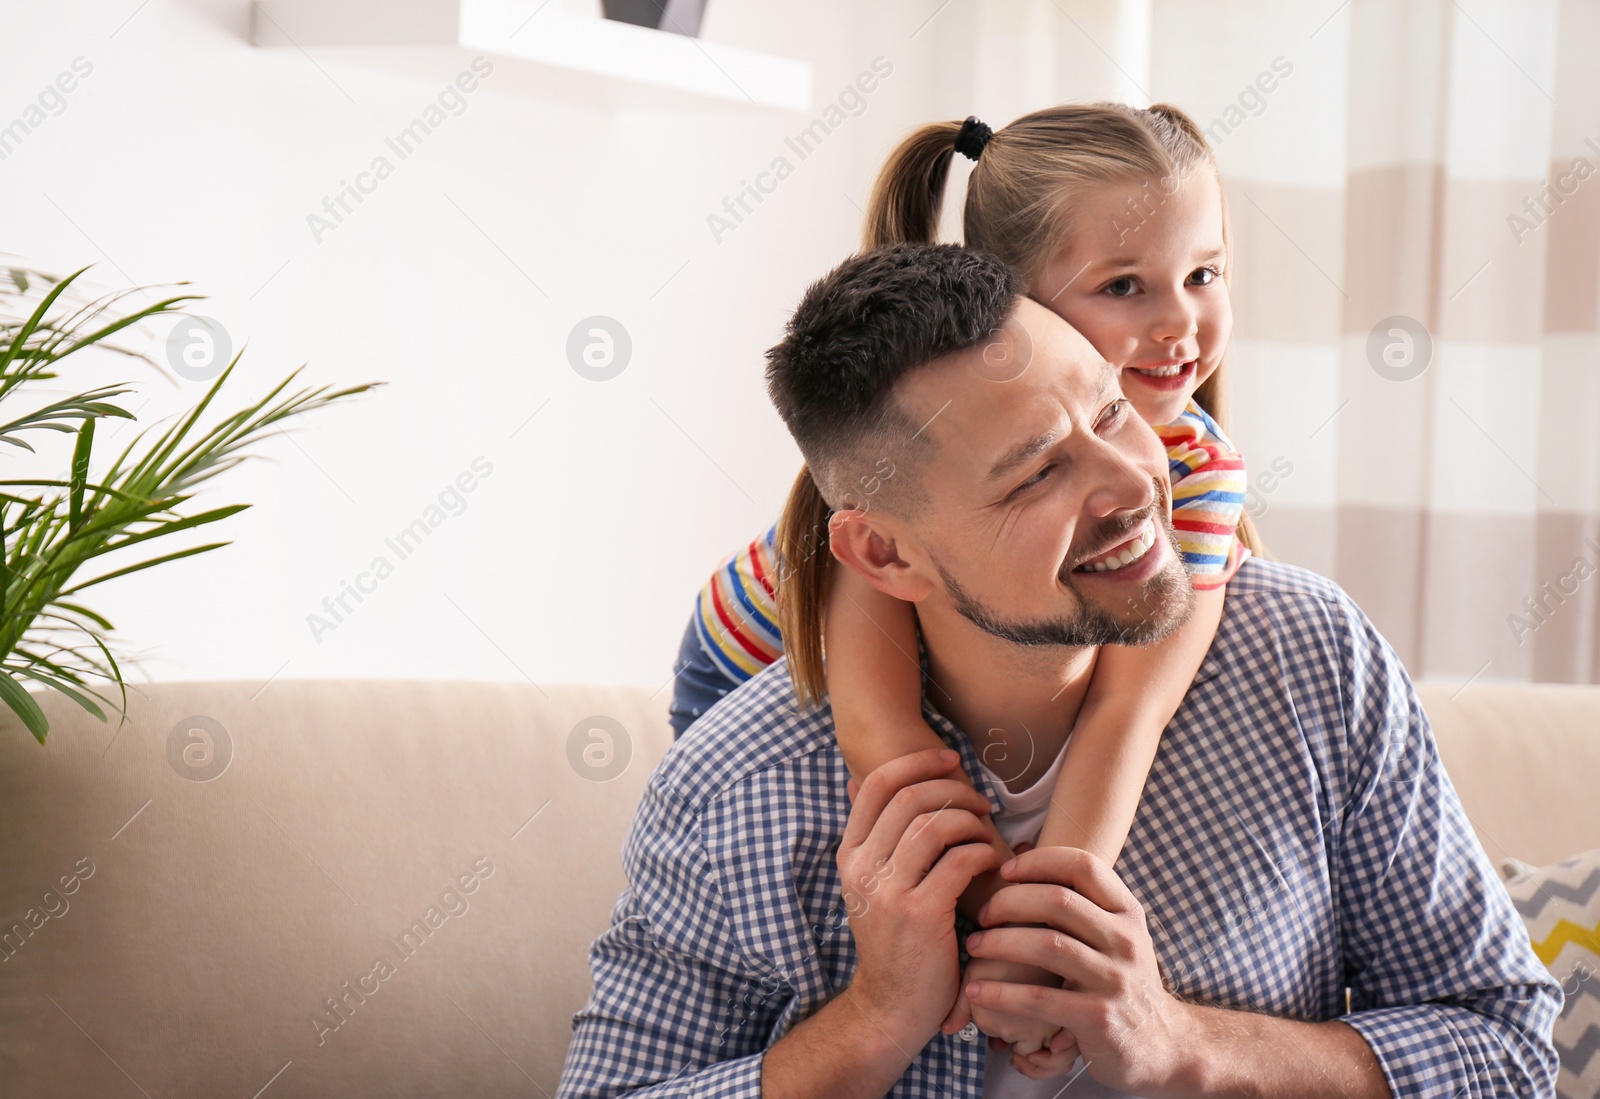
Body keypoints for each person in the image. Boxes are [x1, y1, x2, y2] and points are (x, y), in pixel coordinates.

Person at [557, 241, 1560, 1098]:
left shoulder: (1309, 657)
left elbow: (1509, 1051)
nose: (1132, 481)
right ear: (884, 557)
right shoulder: (734, 784)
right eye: (1037, 471)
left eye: (1113, 410)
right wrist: (869, 1023)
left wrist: (1183, 1047)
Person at [672, 103, 1250, 1062]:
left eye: (1204, 274)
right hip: (736, 666)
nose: (1179, 321)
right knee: (804, 898)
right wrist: (994, 930)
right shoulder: (893, 520)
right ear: (1009, 306)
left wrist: (1041, 951)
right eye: (1123, 285)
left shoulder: (1198, 469)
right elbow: (885, 738)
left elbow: (1127, 710)